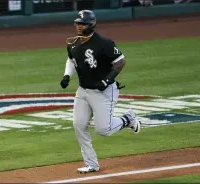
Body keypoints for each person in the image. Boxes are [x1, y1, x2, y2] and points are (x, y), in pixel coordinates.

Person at [60, 10, 141, 173]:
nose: (79, 26)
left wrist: (107, 80)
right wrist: (67, 75)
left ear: (91, 25)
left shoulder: (104, 43)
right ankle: (91, 164)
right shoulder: (73, 44)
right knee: (78, 124)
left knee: (103, 129)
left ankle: (128, 118)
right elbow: (71, 59)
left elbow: (120, 61)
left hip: (104, 91)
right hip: (83, 90)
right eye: (77, 23)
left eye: (82, 24)